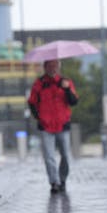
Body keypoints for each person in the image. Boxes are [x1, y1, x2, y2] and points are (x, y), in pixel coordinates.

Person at [28, 59, 79, 193]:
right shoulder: (38, 84)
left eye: (55, 66)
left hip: (63, 124)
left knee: (65, 155)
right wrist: (39, 118)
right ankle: (54, 182)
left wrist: (67, 89)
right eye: (50, 66)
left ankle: (62, 179)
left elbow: (74, 101)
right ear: (45, 67)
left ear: (59, 67)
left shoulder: (65, 82)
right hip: (46, 125)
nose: (53, 69)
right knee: (49, 156)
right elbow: (32, 103)